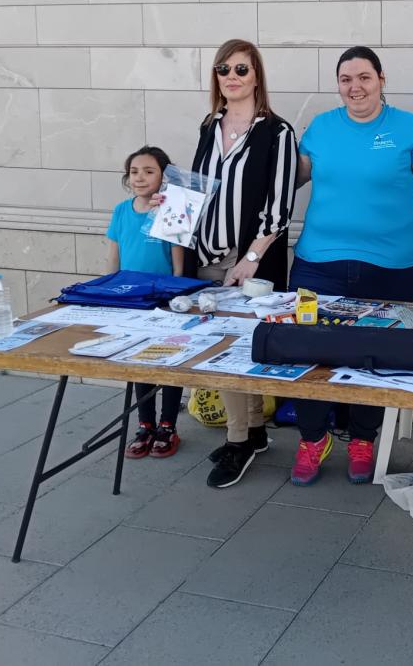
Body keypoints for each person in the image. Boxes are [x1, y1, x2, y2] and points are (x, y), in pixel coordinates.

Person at [290, 46, 413, 486]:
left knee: (376, 356)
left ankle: (363, 438)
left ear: (381, 79)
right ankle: (312, 438)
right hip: (317, 265)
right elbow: (288, 180)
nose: (354, 87)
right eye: (346, 79)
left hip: (394, 267)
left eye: (364, 77)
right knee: (306, 351)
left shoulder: (410, 129)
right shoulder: (320, 129)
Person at [186, 40, 298, 489]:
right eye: (223, 69)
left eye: (241, 69)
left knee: (234, 346)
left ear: (256, 76)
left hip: (251, 260)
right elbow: (195, 188)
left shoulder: (277, 133)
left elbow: (280, 206)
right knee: (221, 343)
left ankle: (237, 442)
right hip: (206, 254)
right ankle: (252, 432)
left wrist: (251, 258)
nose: (231, 76)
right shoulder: (208, 126)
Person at [108, 145, 186, 458]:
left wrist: (177, 296)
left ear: (163, 177)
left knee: (168, 360)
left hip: (164, 300)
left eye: (149, 171)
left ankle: (168, 425)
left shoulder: (171, 210)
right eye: (135, 171)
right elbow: (113, 259)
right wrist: (107, 293)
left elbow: (179, 264)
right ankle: (146, 423)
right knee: (139, 361)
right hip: (130, 300)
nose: (140, 178)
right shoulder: (120, 211)